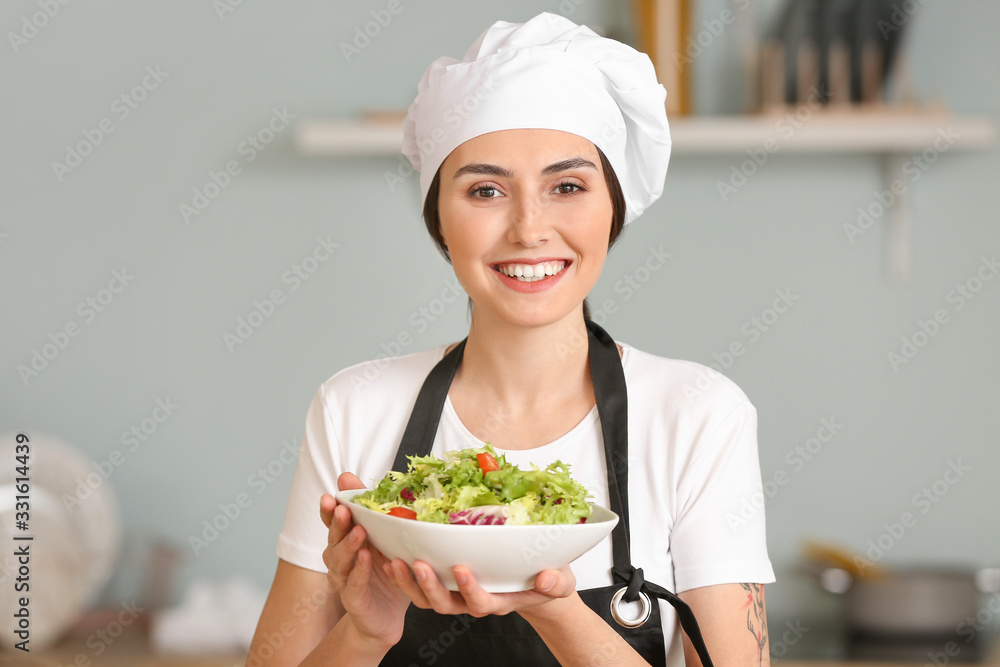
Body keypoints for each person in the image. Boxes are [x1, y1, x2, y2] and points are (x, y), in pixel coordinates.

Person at [248, 12, 775, 667]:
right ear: (439, 215)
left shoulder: (697, 414)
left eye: (568, 186)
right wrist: (365, 630)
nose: (529, 228)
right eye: (486, 189)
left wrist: (551, 606)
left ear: (612, 205)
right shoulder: (353, 407)